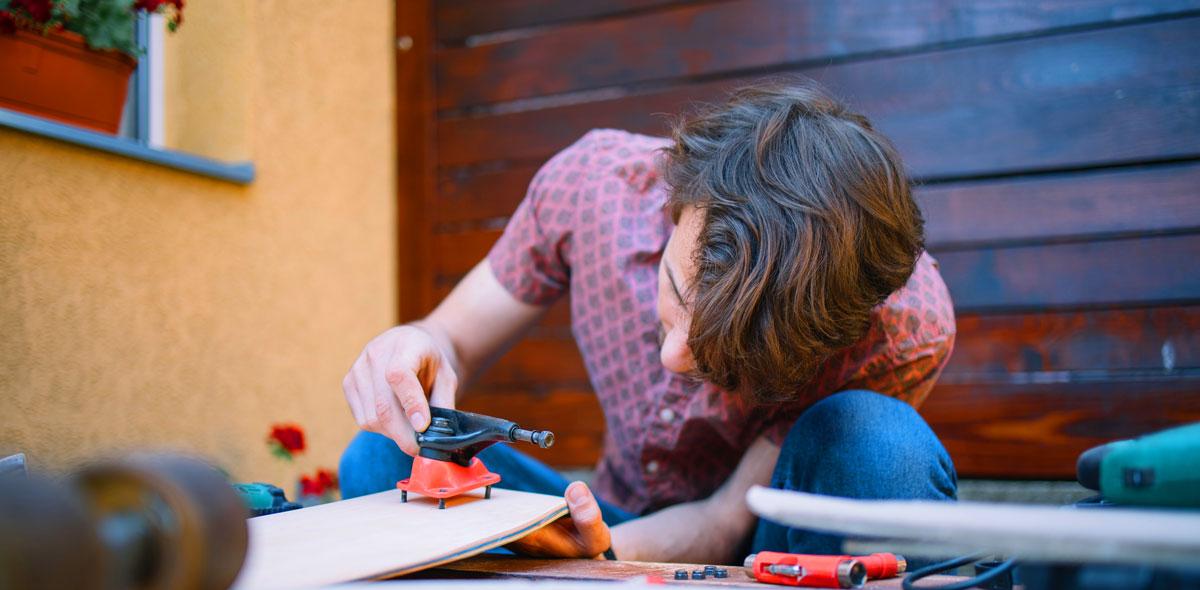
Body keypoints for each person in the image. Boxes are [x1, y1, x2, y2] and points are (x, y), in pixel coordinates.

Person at [339, 81, 957, 564]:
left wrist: (597, 558)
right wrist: (415, 344)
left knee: (880, 444)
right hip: (606, 513)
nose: (675, 357)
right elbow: (451, 342)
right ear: (679, 202)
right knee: (381, 458)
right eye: (674, 291)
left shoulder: (901, 324)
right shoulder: (594, 185)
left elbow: (721, 523)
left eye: (729, 355)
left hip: (761, 536)